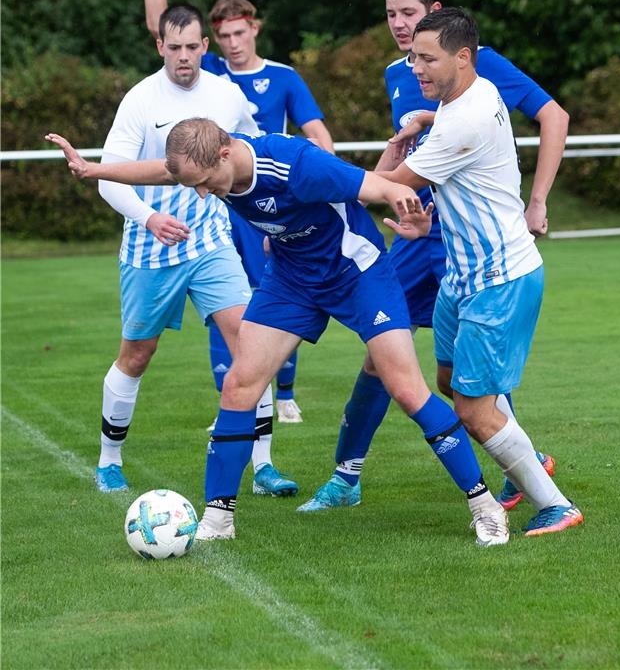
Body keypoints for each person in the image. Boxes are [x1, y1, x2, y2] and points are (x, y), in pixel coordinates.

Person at [47, 121, 511, 548]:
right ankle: (218, 518)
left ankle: (484, 506)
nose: (205, 195)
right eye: (195, 186)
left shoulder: (295, 163)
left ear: (226, 153)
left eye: (207, 184)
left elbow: (378, 185)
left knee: (407, 390)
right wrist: (92, 170)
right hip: (291, 279)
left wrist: (407, 207)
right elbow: (164, 172)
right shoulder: (206, 166)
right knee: (239, 385)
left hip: (357, 271)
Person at [304, 0, 568, 512]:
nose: (401, 28)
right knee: (385, 353)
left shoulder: (476, 66)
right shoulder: (409, 76)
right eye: (391, 15)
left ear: (438, 21)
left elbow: (551, 116)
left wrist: (537, 199)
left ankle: (530, 475)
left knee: (474, 383)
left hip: (482, 251)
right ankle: (346, 475)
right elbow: (423, 145)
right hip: (424, 238)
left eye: (410, 15)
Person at [379, 7, 583, 536]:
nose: (416, 69)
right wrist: (425, 119)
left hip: (500, 279)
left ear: (463, 58)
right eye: (412, 58)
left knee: (472, 407)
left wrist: (304, 178)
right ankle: (526, 456)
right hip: (462, 279)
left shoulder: (462, 119)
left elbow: (394, 185)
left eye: (428, 59)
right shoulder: (470, 94)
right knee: (449, 382)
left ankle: (555, 503)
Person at [90, 2, 297, 498]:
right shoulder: (140, 101)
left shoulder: (227, 96)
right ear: (159, 46)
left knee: (252, 343)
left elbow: (257, 150)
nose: (184, 57)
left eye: (192, 47)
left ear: (205, 47)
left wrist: (273, 215)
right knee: (137, 354)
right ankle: (109, 459)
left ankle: (263, 467)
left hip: (209, 242)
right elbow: (108, 179)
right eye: (174, 47)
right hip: (148, 248)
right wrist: (150, 217)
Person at [144, 0, 336, 423]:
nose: (231, 43)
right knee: (225, 307)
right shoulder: (210, 76)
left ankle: (285, 392)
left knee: (276, 291)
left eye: (238, 32)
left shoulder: (284, 77)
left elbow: (315, 133)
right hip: (220, 206)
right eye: (222, 35)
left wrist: (331, 180)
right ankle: (231, 398)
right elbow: (161, 26)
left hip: (271, 201)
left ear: (254, 29)